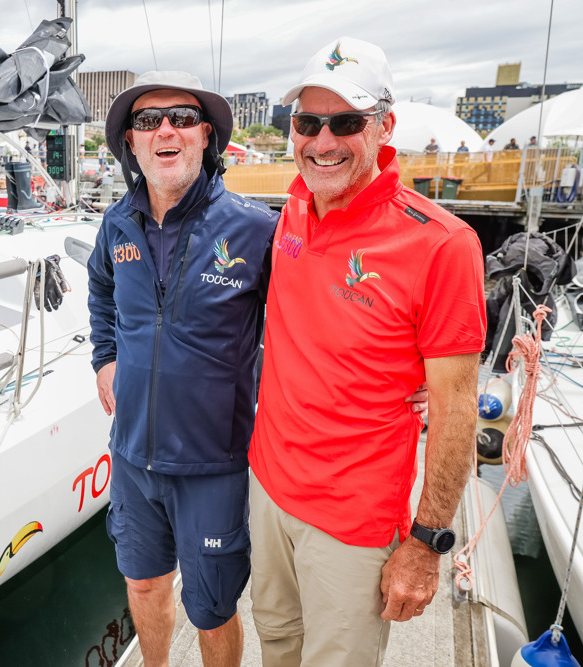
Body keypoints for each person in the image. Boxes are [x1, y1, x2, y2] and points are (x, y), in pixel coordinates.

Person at [248, 36, 486, 667]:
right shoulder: (294, 206)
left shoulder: (443, 246)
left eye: (346, 123)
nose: (322, 142)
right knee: (276, 644)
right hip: (269, 489)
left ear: (385, 127)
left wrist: (427, 543)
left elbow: (457, 408)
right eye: (307, 122)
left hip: (351, 523)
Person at [88, 71, 278, 667]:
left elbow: (311, 321)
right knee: (143, 585)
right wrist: (105, 357)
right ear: (132, 144)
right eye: (147, 121)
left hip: (212, 463)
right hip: (132, 457)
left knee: (212, 609)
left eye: (181, 118)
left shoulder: (255, 227)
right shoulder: (116, 222)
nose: (164, 129)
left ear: (205, 138)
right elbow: (99, 290)